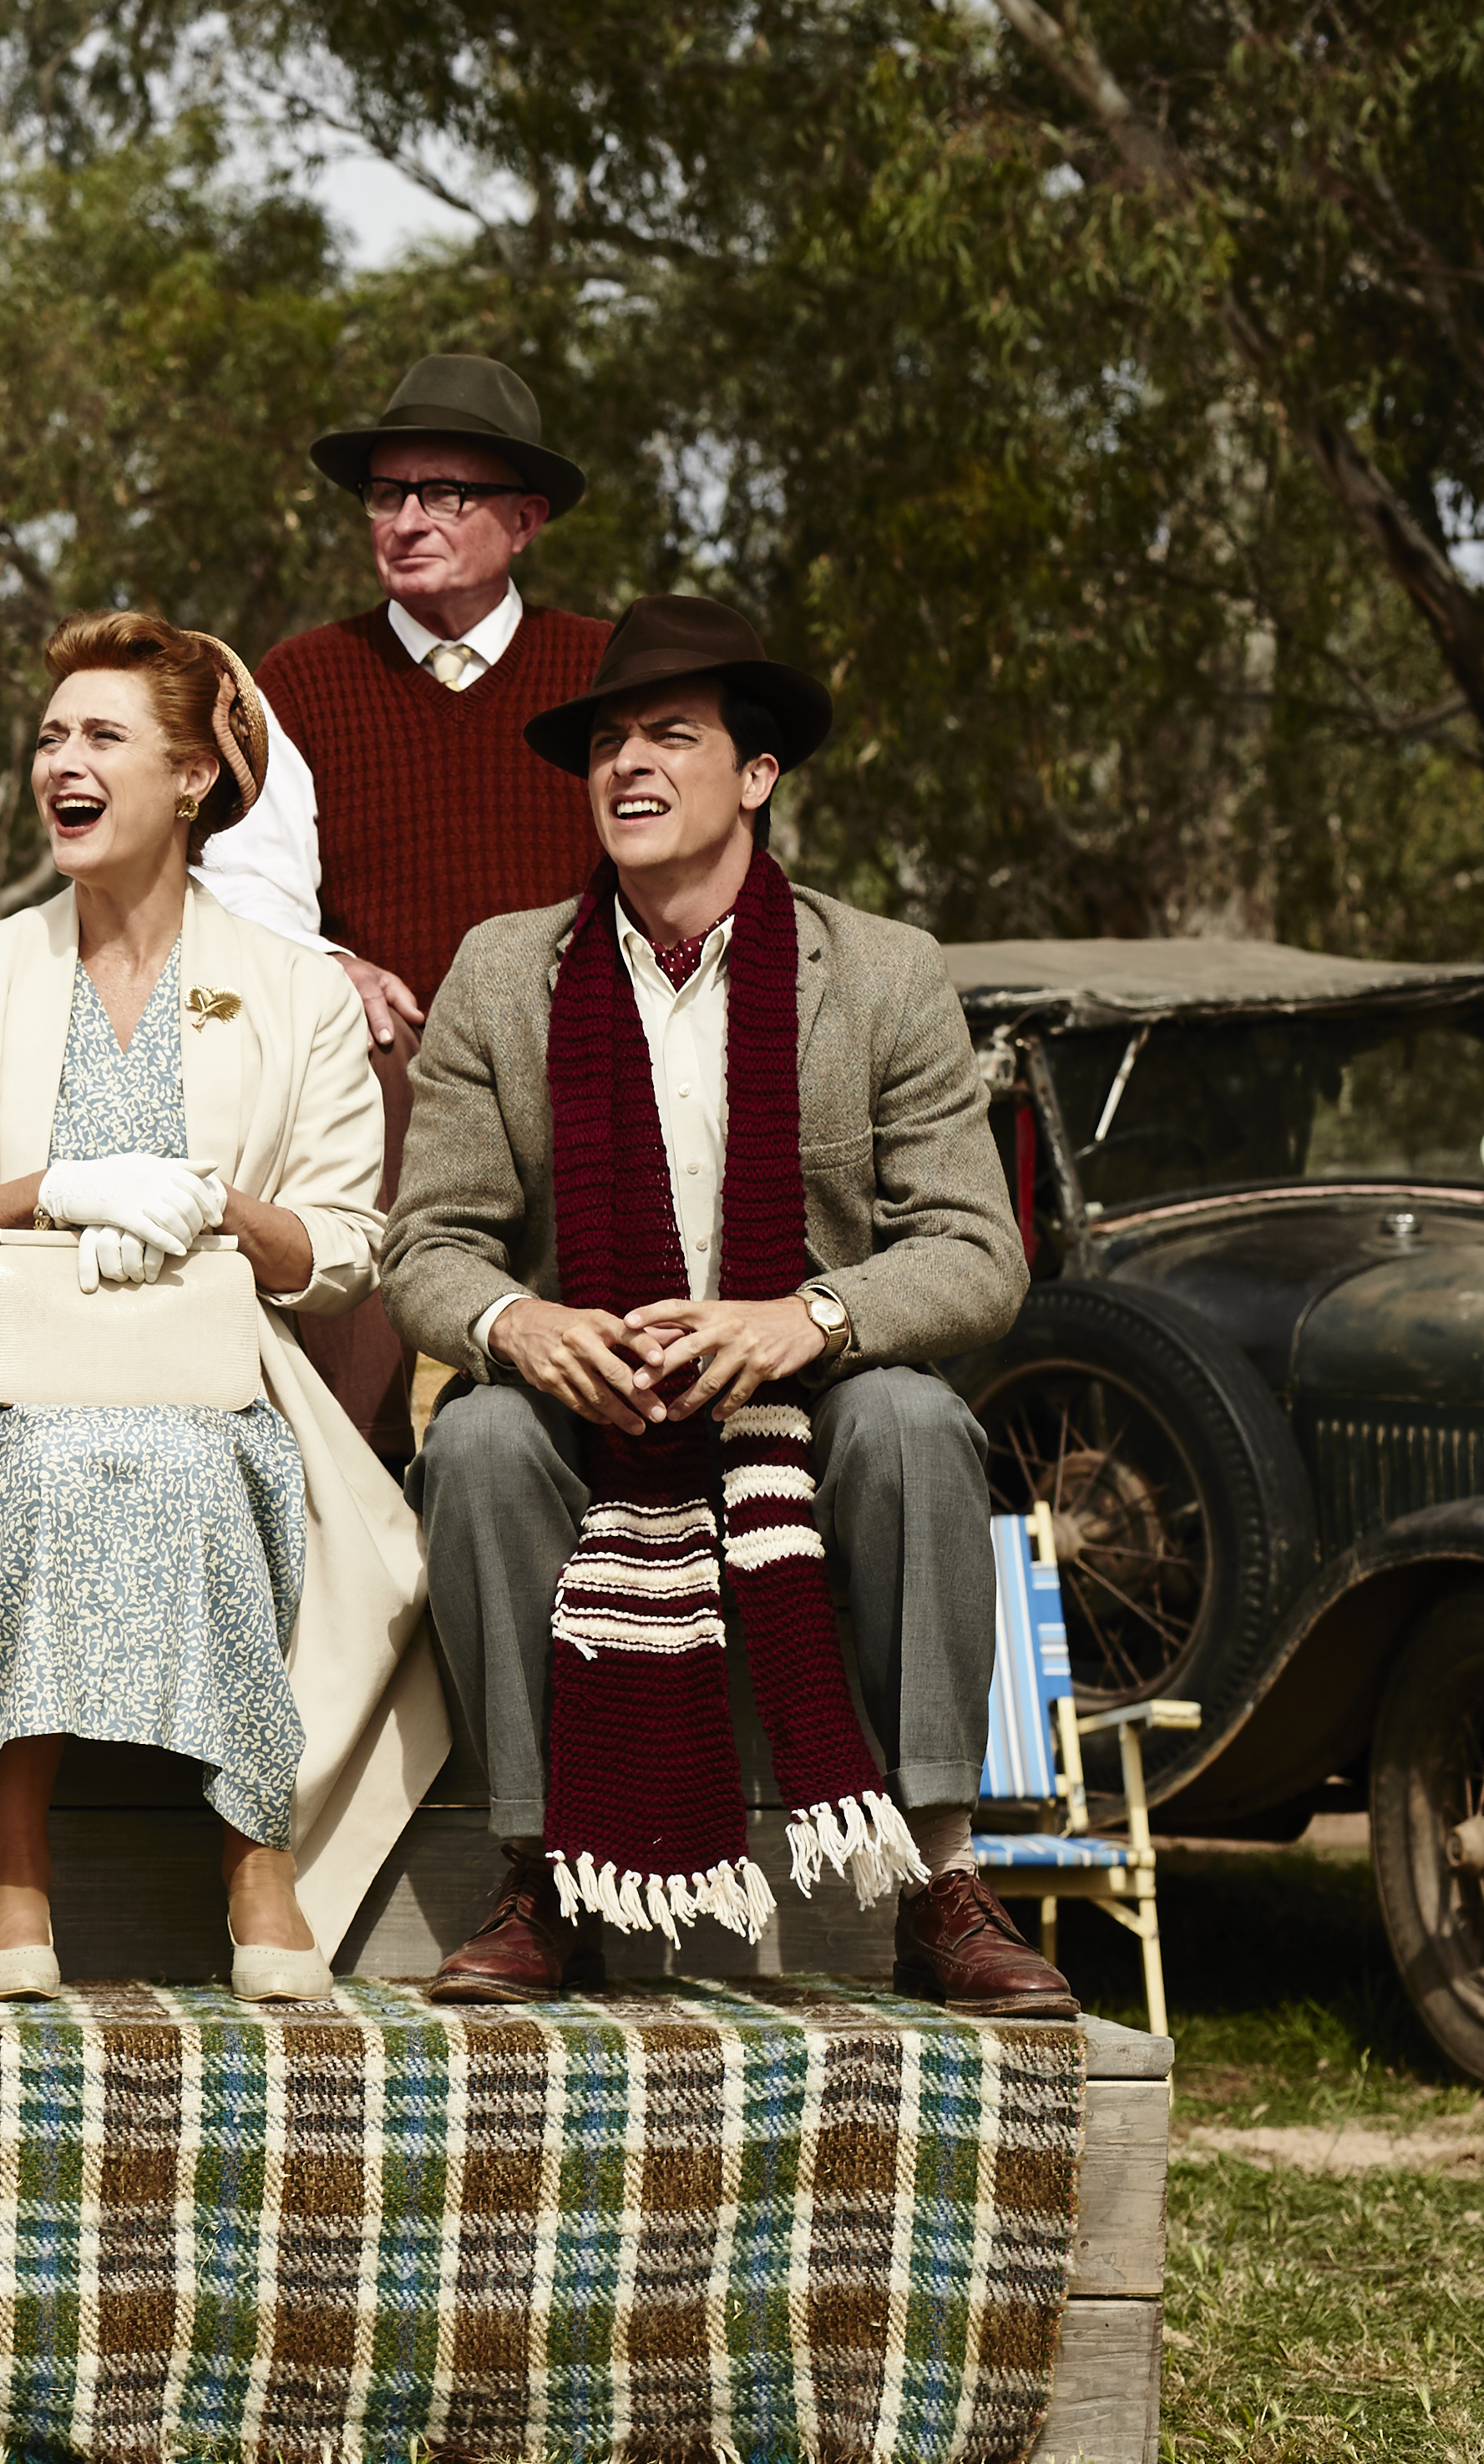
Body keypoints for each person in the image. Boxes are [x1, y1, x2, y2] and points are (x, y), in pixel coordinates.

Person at [381, 595, 1065, 2015]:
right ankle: (543, 1872)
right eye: (609, 741)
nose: (629, 765)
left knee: (915, 1420)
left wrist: (805, 1319)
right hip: (597, 1419)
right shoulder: (508, 973)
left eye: (670, 736)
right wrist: (522, 1326)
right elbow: (430, 1245)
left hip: (800, 1418)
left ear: (756, 773)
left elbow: (976, 1254)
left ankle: (938, 1875)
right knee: (481, 1438)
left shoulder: (879, 972)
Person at [0, 622, 449, 1998]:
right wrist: (55, 1187)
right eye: (48, 738)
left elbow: (339, 1251)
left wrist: (215, 1205)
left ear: (196, 778)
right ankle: (12, 1871)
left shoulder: (297, 989)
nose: (59, 764)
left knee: (194, 1459)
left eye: (101, 739)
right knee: (48, 1456)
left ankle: (257, 1857)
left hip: (222, 1387)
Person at [258, 355, 615, 1452]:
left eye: (443, 493)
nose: (407, 518)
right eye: (387, 493)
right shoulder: (302, 677)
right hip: (386, 1058)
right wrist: (330, 963)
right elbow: (247, 886)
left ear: (524, 519)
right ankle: (353, 1501)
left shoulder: (606, 668)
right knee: (353, 1075)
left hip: (582, 1039)